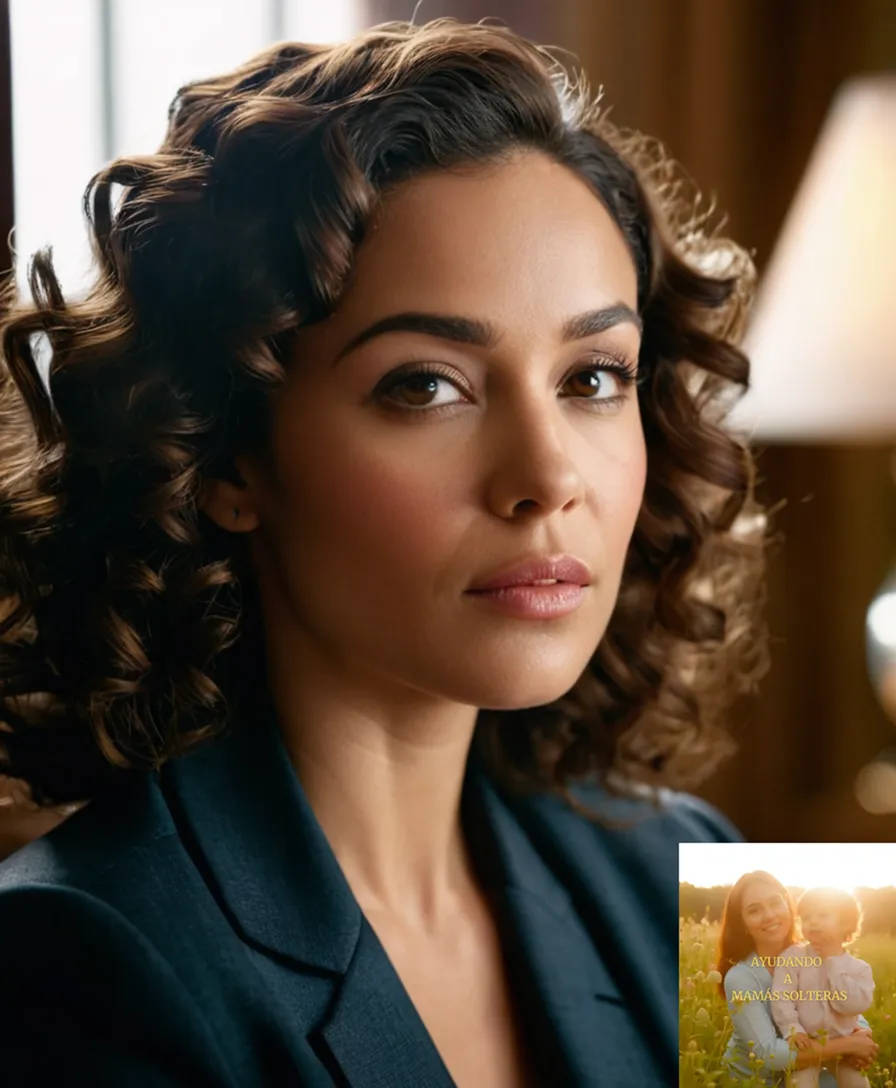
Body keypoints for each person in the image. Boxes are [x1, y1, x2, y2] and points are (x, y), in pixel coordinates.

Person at [0, 17, 767, 1087]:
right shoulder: (69, 962)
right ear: (226, 457)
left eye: (591, 376)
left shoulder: (722, 881)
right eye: (426, 385)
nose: (548, 476)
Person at [717, 872, 879, 1085]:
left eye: (775, 903)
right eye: (754, 910)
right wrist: (849, 1045)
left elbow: (839, 1002)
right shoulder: (740, 978)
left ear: (788, 905)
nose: (769, 915)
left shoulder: (816, 953)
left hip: (811, 1064)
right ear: (743, 924)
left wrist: (862, 1032)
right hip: (757, 1080)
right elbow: (768, 1054)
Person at [770, 887, 875, 1087]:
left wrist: (832, 961)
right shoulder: (792, 958)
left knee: (858, 1083)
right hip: (808, 1043)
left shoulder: (859, 969)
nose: (813, 922)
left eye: (823, 915)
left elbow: (852, 1006)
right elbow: (781, 997)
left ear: (846, 923)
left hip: (844, 1048)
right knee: (800, 1083)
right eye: (807, 917)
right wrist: (793, 1029)